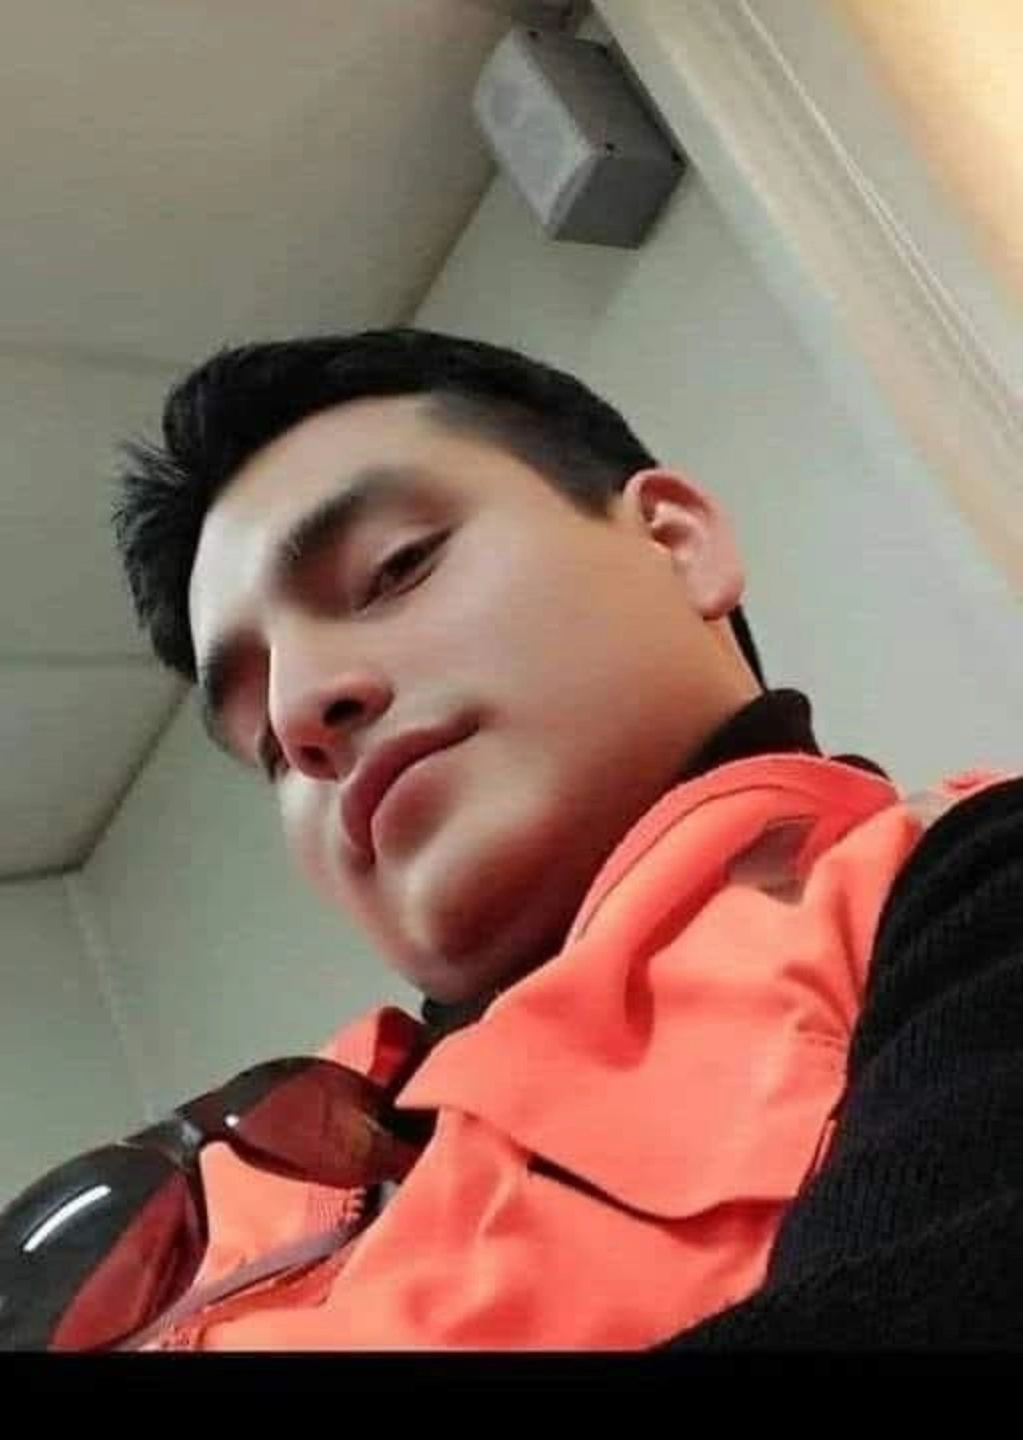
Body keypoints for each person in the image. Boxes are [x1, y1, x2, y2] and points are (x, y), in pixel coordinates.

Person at [108, 326, 1022, 1350]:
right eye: (265, 747)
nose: (301, 711)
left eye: (395, 568)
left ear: (675, 541)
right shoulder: (230, 1192)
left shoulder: (968, 886)